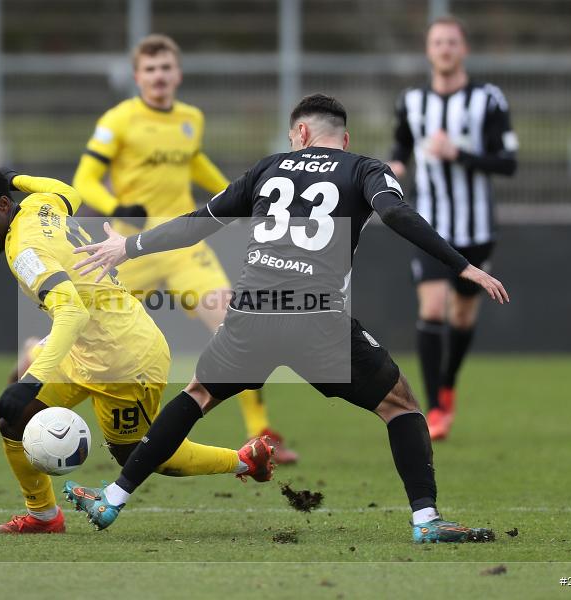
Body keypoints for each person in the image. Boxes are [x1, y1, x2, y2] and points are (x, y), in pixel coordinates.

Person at [64, 94, 509, 543]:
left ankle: (112, 499)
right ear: (344, 137)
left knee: (197, 396)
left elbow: (200, 222)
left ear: (300, 132)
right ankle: (426, 520)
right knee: (401, 406)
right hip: (317, 318)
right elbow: (395, 212)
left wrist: (129, 246)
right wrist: (463, 266)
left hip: (251, 313)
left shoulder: (268, 167)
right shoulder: (364, 168)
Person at [0, 164, 275, 535]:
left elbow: (71, 312)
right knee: (13, 419)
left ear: (4, 205)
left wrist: (31, 380)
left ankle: (245, 460)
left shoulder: (24, 250)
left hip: (126, 358)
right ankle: (42, 517)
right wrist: (14, 178)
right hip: (85, 350)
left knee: (138, 455)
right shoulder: (41, 204)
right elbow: (68, 191)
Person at [71, 33, 298, 463]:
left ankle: (261, 433)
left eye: (165, 68)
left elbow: (193, 162)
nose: (159, 76)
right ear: (138, 77)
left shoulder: (191, 118)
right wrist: (113, 204)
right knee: (80, 329)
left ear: (177, 74)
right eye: (150, 69)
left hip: (182, 245)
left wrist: (247, 196)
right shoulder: (118, 120)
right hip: (126, 248)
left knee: (236, 326)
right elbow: (83, 178)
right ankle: (30, 388)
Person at [387, 15, 518, 440]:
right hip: (431, 225)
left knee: (462, 315)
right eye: (437, 42)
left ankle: (448, 386)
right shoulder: (411, 101)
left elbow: (507, 162)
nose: (444, 48)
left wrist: (457, 153)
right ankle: (436, 408)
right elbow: (402, 144)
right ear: (428, 51)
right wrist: (396, 165)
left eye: (451, 42)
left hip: (476, 227)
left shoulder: (488, 99)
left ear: (463, 50)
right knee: (431, 308)